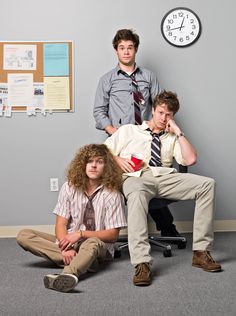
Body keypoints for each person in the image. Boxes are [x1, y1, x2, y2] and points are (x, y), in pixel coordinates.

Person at [104, 90, 222, 286]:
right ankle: (142, 263)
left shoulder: (172, 137)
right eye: (160, 113)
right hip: (137, 177)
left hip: (165, 177)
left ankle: (201, 252)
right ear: (153, 110)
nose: (163, 118)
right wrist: (117, 158)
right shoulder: (128, 131)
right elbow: (103, 151)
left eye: (168, 115)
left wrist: (178, 132)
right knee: (138, 192)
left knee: (207, 184)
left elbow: (191, 159)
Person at [93, 28, 179, 237]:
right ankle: (105, 234)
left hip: (146, 139)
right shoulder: (107, 79)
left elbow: (162, 105)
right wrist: (112, 131)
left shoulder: (149, 76)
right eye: (121, 48)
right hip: (121, 142)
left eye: (130, 47)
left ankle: (167, 229)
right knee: (121, 186)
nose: (126, 52)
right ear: (116, 51)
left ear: (136, 50)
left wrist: (167, 125)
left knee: (149, 180)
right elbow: (98, 111)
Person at [16, 144, 127, 292]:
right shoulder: (69, 187)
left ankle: (68, 274)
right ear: (82, 164)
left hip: (97, 245)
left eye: (99, 161)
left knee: (92, 242)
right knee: (24, 235)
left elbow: (112, 236)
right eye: (89, 161)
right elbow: (61, 224)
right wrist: (65, 249)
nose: (93, 166)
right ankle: (84, 262)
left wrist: (80, 234)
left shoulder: (113, 195)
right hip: (70, 242)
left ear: (106, 166)